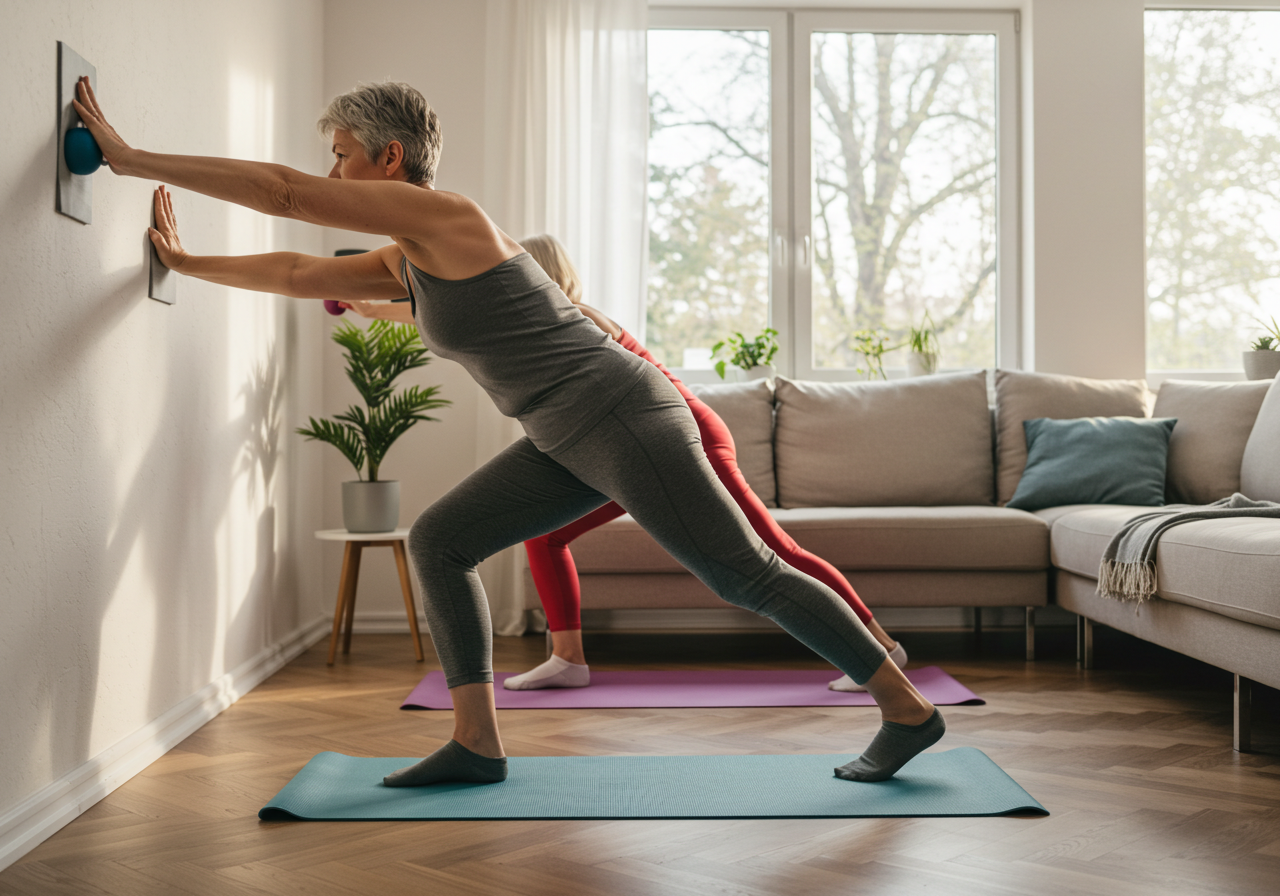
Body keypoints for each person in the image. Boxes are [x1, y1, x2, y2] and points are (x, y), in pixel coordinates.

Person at [72, 77, 944, 786]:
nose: (328, 171)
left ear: (390, 157)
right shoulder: (410, 255)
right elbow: (303, 271)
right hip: (565, 433)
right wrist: (187, 265)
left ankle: (907, 711)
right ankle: (477, 743)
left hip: (619, 413)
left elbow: (286, 197)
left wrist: (130, 158)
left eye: (341, 155)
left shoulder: (449, 217)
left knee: (742, 573)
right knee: (444, 539)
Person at [496, 235, 906, 693]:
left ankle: (882, 647)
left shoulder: (582, 320)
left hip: (690, 438)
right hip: (634, 451)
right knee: (546, 533)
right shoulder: (556, 328)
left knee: (775, 552)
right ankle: (567, 659)